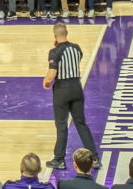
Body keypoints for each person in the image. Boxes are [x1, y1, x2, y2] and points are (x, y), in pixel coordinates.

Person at [44, 23, 100, 171]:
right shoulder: (76, 48)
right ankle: (95, 158)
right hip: (76, 87)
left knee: (62, 126)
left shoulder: (54, 52)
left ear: (55, 35)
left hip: (62, 89)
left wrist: (46, 81)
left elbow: (52, 74)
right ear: (67, 33)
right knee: (81, 124)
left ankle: (59, 160)